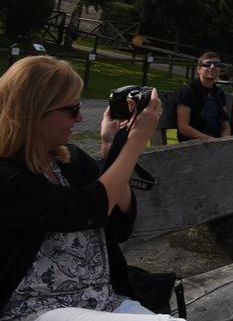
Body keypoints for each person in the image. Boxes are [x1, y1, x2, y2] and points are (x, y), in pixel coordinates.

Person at [0, 56, 186, 320]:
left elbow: (119, 223)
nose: (79, 118)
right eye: (72, 109)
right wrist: (137, 141)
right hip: (35, 309)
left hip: (104, 300)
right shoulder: (7, 176)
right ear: (36, 111)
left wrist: (112, 146)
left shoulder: (69, 161)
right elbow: (85, 210)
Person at [175, 51, 231, 142]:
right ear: (199, 69)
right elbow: (183, 127)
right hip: (194, 143)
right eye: (207, 64)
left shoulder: (219, 93)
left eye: (217, 65)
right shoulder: (188, 90)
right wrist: (210, 139)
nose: (212, 67)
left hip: (216, 142)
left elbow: (225, 123)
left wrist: (225, 140)